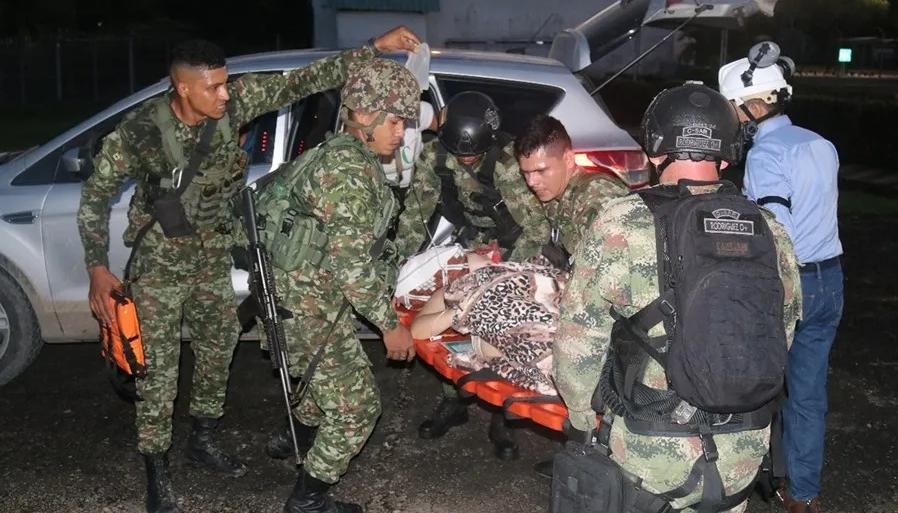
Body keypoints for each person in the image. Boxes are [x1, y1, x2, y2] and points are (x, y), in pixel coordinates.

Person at [77, 27, 420, 513]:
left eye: (226, 83)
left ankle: (203, 438)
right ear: (182, 88)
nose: (225, 94)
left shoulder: (234, 103)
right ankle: (156, 472)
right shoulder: (140, 132)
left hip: (215, 253)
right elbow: (94, 196)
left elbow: (306, 80)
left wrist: (374, 50)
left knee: (218, 353)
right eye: (213, 87)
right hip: (161, 260)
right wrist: (96, 266)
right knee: (158, 371)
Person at [553, 83, 802, 513]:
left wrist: (580, 421)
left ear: (653, 150)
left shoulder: (622, 224)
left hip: (652, 455)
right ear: (726, 155)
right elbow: (785, 328)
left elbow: (579, 341)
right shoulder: (768, 229)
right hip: (741, 452)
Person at [254, 57, 420, 513]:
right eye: (395, 120)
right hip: (309, 309)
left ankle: (297, 441)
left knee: (317, 387)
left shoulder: (337, 153)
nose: (401, 131)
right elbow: (350, 266)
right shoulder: (348, 173)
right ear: (364, 115)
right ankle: (307, 501)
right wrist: (390, 325)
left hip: (299, 300)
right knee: (358, 409)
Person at [719, 42, 843, 513]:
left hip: (792, 285)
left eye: (733, 111)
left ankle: (738, 476)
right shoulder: (820, 144)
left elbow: (778, 233)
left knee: (754, 385)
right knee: (808, 393)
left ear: (751, 107)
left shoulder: (766, 156)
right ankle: (803, 493)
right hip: (831, 279)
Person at [395, 91, 549, 453]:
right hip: (470, 244)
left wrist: (504, 273)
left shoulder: (506, 164)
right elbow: (416, 215)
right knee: (448, 321)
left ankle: (501, 415)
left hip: (517, 247)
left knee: (502, 328)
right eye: (459, 153)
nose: (465, 160)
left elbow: (537, 229)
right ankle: (454, 400)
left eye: (472, 154)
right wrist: (400, 265)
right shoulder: (435, 157)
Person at [514, 114, 628, 271]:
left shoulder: (595, 197)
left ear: (568, 159)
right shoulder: (556, 194)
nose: (531, 182)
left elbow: (616, 271)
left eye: (541, 170)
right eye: (526, 173)